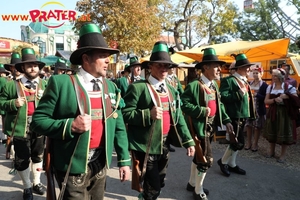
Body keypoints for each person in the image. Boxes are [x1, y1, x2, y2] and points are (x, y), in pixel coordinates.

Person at [30, 23, 131, 200]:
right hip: (72, 164)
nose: (108, 60)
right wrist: (70, 125)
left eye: (108, 56)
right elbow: (38, 121)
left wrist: (124, 161)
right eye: (102, 56)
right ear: (86, 58)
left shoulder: (111, 87)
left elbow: (119, 125)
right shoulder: (60, 83)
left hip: (100, 164)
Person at [122, 41, 195, 200]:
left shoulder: (171, 90)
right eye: (160, 65)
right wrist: (148, 114)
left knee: (159, 183)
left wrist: (188, 140)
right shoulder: (138, 87)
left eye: (167, 66)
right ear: (150, 66)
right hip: (145, 146)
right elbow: (125, 114)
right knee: (154, 187)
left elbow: (178, 117)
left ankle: (146, 195)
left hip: (164, 145)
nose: (164, 69)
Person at [181, 48, 233, 200]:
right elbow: (183, 104)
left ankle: (192, 183)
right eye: (216, 66)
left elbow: (220, 104)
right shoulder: (194, 85)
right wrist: (201, 111)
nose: (219, 69)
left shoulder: (214, 85)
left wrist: (227, 120)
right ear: (205, 67)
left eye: (219, 66)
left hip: (211, 127)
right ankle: (198, 191)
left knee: (199, 157)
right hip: (200, 128)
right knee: (205, 160)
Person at [0, 47, 47, 200]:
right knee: (22, 159)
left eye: (35, 65)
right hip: (20, 128)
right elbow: (1, 103)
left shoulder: (45, 84)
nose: (33, 68)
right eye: (29, 65)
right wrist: (14, 103)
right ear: (23, 68)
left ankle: (36, 182)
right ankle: (27, 186)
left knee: (38, 156)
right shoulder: (11, 85)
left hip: (40, 126)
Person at [217, 53, 256, 177]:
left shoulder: (244, 80)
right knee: (238, 142)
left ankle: (232, 163)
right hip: (234, 115)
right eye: (246, 67)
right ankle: (223, 162)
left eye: (249, 67)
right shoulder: (229, 80)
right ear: (239, 68)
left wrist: (251, 114)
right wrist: (238, 93)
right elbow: (222, 97)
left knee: (236, 141)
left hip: (243, 115)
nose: (249, 69)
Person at [263, 68, 300, 163]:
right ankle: (271, 151)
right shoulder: (270, 87)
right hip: (273, 112)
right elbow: (266, 101)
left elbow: (296, 100)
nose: (273, 77)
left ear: (281, 77)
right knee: (272, 131)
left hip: (285, 114)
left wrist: (287, 96)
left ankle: (282, 155)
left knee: (284, 133)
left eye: (275, 76)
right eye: (273, 75)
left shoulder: (289, 87)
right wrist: (275, 100)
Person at [244, 66, 268, 152]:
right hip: (250, 108)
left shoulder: (264, 85)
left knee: (257, 127)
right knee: (248, 126)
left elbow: (266, 98)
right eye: (253, 73)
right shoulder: (250, 83)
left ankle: (255, 143)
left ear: (261, 74)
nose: (255, 74)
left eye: (257, 73)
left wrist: (256, 95)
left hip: (258, 109)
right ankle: (248, 142)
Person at [0, 64, 10, 144]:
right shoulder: (7, 80)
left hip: (3, 102)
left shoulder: (2, 80)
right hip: (6, 102)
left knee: (3, 121)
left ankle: (4, 137)